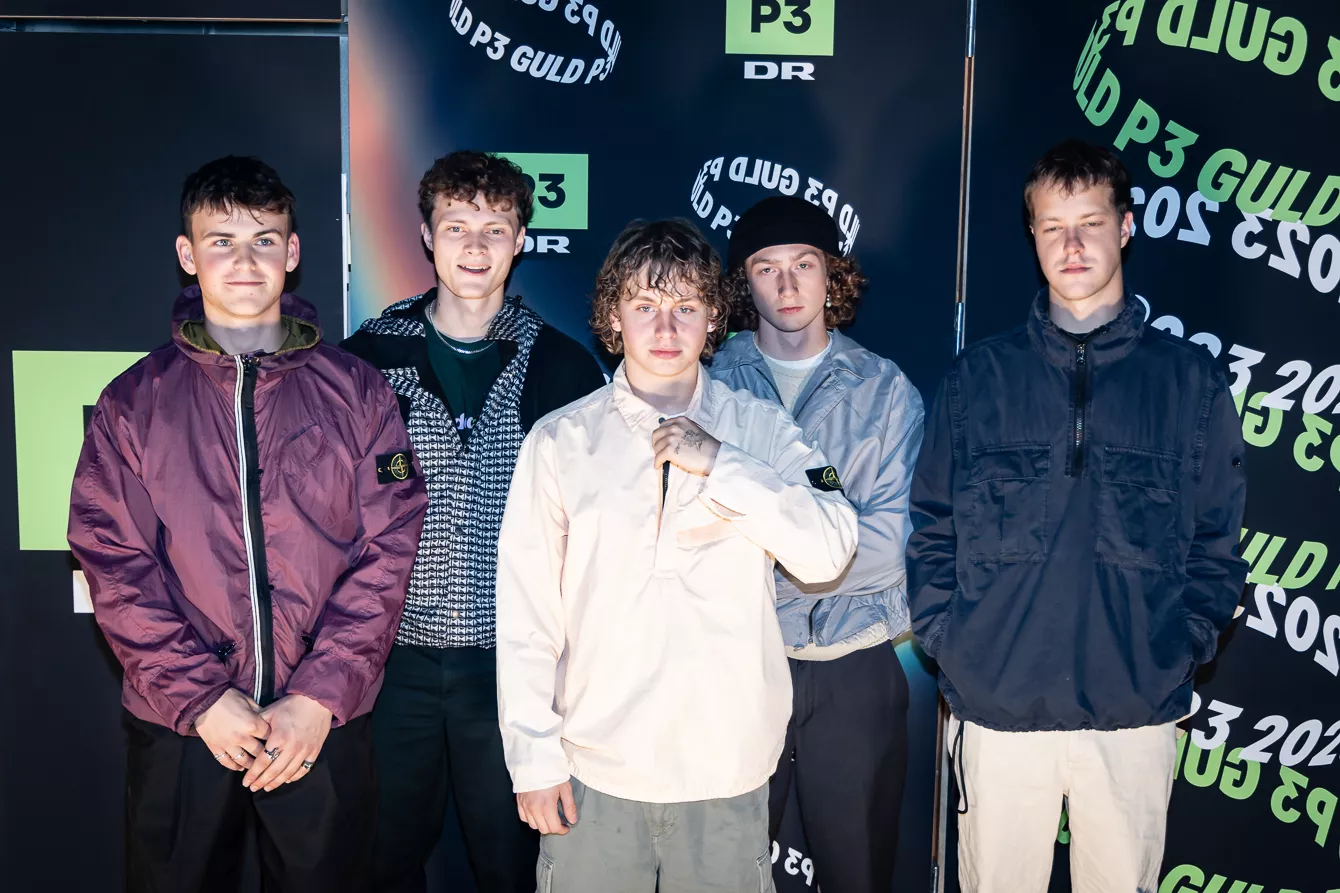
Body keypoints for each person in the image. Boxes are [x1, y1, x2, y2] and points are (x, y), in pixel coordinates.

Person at [68, 155, 428, 893]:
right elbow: (114, 562)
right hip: (183, 726)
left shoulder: (358, 392)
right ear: (187, 254)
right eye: (221, 241)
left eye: (264, 240)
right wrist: (200, 697)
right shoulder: (132, 403)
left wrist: (318, 695)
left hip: (318, 728)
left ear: (292, 253)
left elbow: (388, 551)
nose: (244, 260)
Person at [906, 140, 1249, 892]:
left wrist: (1178, 651)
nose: (1072, 245)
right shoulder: (976, 380)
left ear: (1125, 227)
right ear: (1031, 235)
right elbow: (931, 527)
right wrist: (951, 644)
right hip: (998, 713)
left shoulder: (1188, 384)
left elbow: (1216, 544)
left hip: (1133, 716)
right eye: (1053, 226)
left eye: (1090, 223)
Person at [495, 218, 859, 893]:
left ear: (714, 316)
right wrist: (533, 758)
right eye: (645, 306)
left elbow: (830, 549)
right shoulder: (560, 440)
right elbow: (526, 618)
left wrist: (722, 464)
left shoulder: (761, 430)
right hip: (594, 769)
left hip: (726, 771)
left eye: (686, 307)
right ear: (613, 316)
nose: (666, 328)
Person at [341, 149, 606, 893]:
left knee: (512, 865)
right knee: (383, 860)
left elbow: (593, 532)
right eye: (457, 227)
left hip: (512, 668)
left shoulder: (562, 366)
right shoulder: (367, 358)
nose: (476, 247)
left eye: (496, 228)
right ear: (428, 236)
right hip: (392, 662)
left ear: (521, 239)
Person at [710, 195, 924, 893]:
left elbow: (890, 545)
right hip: (737, 662)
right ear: (743, 283)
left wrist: (760, 554)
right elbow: (690, 541)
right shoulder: (708, 382)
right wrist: (818, 543)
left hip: (853, 661)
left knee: (857, 872)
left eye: (804, 264)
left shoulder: (885, 390)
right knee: (724, 872)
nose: (787, 284)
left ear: (832, 274)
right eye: (766, 267)